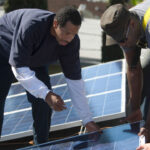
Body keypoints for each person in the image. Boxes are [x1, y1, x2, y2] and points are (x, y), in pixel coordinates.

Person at [0, 6, 100, 144]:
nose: (69, 39)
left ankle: (42, 145)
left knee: (44, 104)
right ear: (55, 24)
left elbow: (75, 83)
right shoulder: (31, 26)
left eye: (73, 34)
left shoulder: (71, 43)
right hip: (3, 51)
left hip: (34, 59)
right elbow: (19, 68)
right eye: (66, 33)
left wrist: (87, 120)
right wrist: (46, 94)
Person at [100, 0, 150, 142]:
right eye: (118, 42)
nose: (122, 45)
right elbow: (133, 68)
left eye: (122, 40)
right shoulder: (125, 25)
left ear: (133, 25)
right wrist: (134, 108)